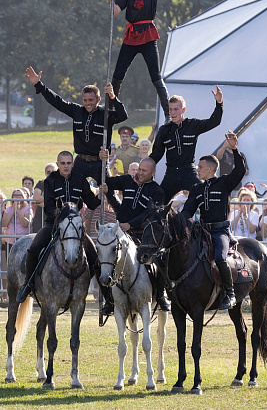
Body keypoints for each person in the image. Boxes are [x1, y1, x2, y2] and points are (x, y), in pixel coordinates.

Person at [16, 151, 106, 311]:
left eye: (68, 163)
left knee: (95, 257)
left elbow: (91, 203)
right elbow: (49, 206)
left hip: (75, 228)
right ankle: (28, 284)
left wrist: (100, 194)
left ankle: (106, 296)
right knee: (34, 247)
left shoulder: (80, 179)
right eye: (62, 163)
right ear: (58, 164)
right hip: (54, 224)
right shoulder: (50, 180)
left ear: (73, 164)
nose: (66, 166)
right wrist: (62, 218)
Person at [25, 66, 127, 185]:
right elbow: (57, 101)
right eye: (85, 100)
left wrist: (112, 97)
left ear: (98, 99)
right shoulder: (76, 111)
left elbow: (123, 116)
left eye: (91, 100)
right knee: (72, 189)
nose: (88, 103)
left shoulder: (105, 115)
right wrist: (38, 85)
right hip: (80, 161)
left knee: (109, 190)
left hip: (99, 161)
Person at [180, 133, 246, 311]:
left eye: (200, 167)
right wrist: (184, 220)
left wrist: (234, 149)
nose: (197, 169)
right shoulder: (197, 188)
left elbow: (240, 171)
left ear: (210, 169)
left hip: (220, 232)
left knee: (220, 258)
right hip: (201, 231)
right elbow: (187, 211)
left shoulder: (224, 183)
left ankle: (229, 293)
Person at [107, 0, 169, 110]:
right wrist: (111, 1)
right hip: (132, 36)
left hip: (148, 35)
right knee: (118, 74)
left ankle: (167, 112)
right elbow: (115, 13)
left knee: (155, 76)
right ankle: (111, 109)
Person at [102, 156, 168, 309]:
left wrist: (130, 224)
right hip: (120, 232)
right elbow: (107, 181)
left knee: (161, 260)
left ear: (153, 172)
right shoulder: (127, 180)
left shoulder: (157, 191)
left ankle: (160, 295)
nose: (140, 173)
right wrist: (104, 162)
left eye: (144, 171)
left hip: (142, 234)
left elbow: (150, 213)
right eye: (139, 169)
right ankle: (108, 300)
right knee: (102, 259)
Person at [151, 89, 225, 202]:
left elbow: (214, 122)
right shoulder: (164, 130)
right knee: (157, 202)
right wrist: (144, 167)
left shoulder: (192, 125)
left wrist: (219, 103)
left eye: (176, 109)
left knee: (204, 197)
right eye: (170, 109)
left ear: (183, 110)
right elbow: (156, 154)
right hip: (171, 173)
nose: (172, 113)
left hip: (188, 171)